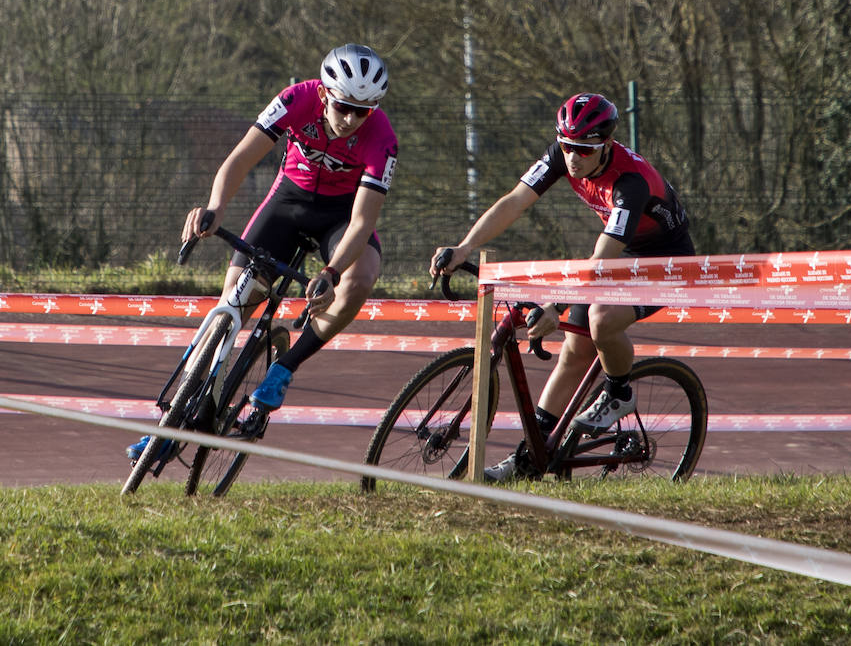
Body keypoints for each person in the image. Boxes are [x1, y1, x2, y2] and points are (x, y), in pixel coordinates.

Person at [127, 44, 397, 460]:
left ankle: (285, 366)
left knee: (361, 277)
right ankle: (175, 423)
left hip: (340, 217)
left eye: (363, 111)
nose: (350, 120)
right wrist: (215, 207)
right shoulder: (296, 100)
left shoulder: (382, 138)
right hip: (287, 202)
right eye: (343, 106)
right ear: (325, 95)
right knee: (233, 301)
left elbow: (362, 223)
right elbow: (239, 159)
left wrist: (332, 271)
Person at [431, 92, 694, 481]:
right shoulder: (563, 155)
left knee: (601, 320)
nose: (573, 158)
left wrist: (555, 304)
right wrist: (466, 246)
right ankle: (528, 460)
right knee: (575, 350)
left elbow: (601, 258)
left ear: (605, 145)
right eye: (567, 147)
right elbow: (515, 201)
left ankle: (619, 392)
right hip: (626, 255)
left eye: (584, 151)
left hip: (667, 262)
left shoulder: (631, 182)